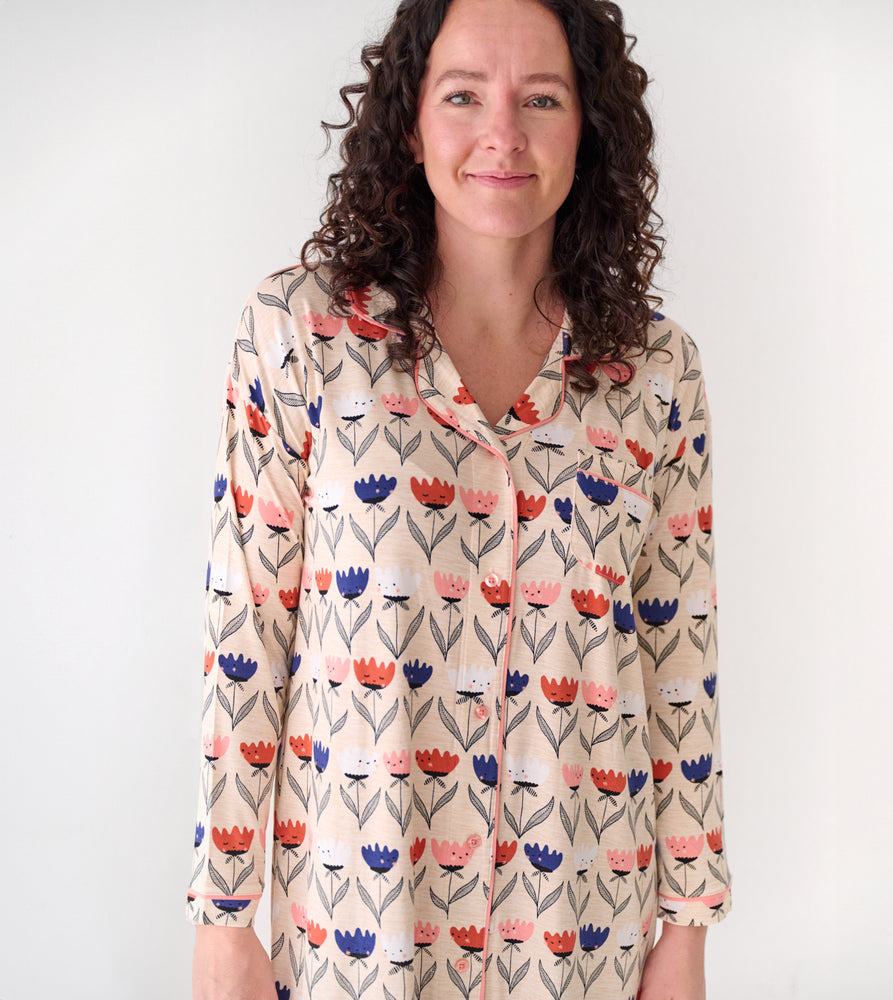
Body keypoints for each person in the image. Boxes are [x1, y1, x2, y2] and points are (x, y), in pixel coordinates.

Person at [188, 0, 733, 998]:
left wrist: (688, 923)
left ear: (588, 126)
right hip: (355, 936)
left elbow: (679, 660)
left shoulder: (656, 374)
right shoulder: (301, 337)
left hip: (582, 934)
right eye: (463, 94)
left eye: (541, 97)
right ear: (410, 120)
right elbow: (246, 633)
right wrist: (224, 919)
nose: (503, 135)